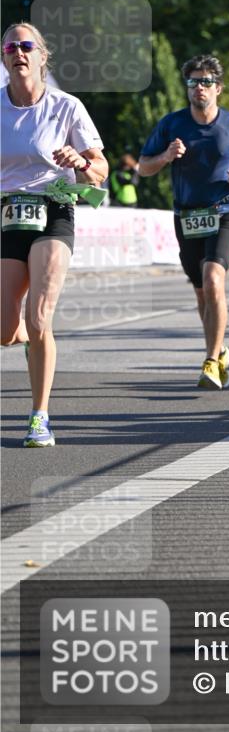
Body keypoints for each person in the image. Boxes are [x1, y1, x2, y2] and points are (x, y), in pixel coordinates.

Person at [1, 22, 108, 447]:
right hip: (7, 213)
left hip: (55, 209)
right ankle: (28, 335)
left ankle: (39, 416)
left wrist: (80, 162)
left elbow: (101, 171)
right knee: (7, 330)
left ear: (43, 57)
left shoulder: (66, 107)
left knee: (40, 315)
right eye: (10, 46)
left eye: (26, 45)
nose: (18, 51)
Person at [138, 54, 229, 389]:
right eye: (193, 82)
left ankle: (210, 362)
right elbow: (142, 166)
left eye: (206, 82)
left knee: (213, 278)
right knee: (201, 293)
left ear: (218, 88)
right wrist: (165, 156)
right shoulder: (172, 124)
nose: (199, 88)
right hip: (187, 216)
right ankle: (219, 347)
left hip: (225, 211)